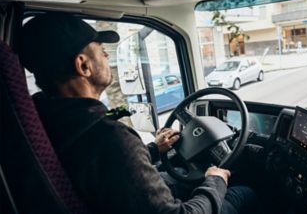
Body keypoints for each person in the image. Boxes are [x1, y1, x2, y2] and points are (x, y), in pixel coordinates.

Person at [19, 13, 258, 214]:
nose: (106, 56)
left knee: (183, 177)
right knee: (244, 193)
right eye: (100, 49)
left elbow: (105, 169)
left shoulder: (44, 120)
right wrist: (215, 179)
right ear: (83, 65)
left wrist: (153, 149)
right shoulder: (108, 136)